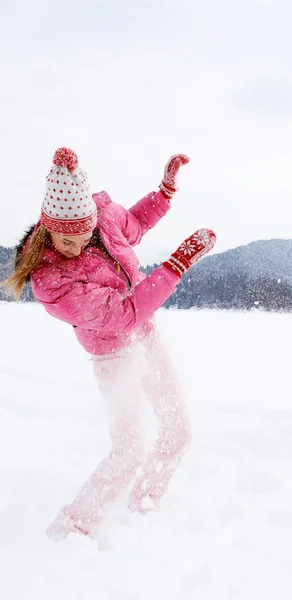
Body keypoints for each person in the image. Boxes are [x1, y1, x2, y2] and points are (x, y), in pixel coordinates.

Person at [2, 147, 216, 541]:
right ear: (48, 228)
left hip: (145, 337)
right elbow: (124, 314)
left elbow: (133, 222)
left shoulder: (103, 217)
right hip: (113, 353)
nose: (76, 248)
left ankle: (146, 500)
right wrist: (175, 267)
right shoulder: (51, 282)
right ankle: (68, 533)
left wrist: (164, 193)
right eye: (66, 241)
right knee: (130, 449)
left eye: (84, 237)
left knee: (178, 428)